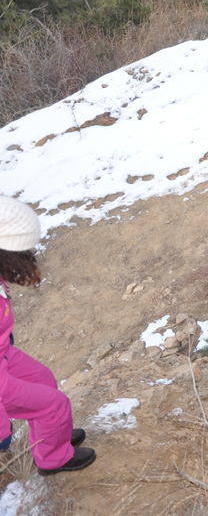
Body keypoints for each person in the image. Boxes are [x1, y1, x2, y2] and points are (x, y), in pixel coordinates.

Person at [0, 196, 96, 475]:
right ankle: (53, 459)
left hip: (4, 353)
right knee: (54, 404)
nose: (29, 254)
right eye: (22, 250)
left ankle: (51, 435)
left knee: (44, 379)